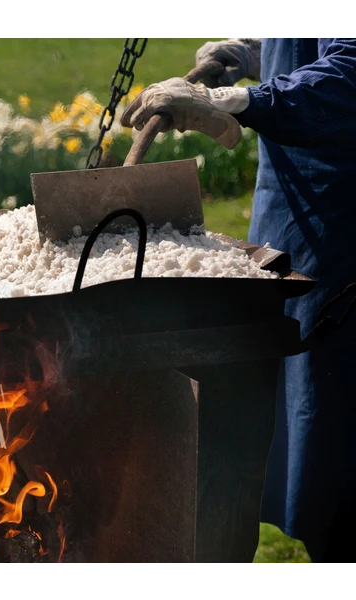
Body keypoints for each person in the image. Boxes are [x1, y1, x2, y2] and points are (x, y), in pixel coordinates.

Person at [120, 37, 356, 566]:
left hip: (344, 217)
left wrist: (241, 100)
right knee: (297, 420)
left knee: (340, 433)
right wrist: (253, 52)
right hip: (290, 209)